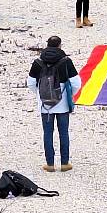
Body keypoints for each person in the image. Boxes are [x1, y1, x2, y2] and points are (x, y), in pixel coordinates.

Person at [27, 36, 82, 172]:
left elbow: (31, 83)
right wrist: (69, 94)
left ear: (47, 45)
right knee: (63, 132)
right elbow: (76, 83)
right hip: (62, 103)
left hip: (45, 105)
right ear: (60, 46)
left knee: (47, 133)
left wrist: (41, 94)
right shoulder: (66, 61)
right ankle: (64, 163)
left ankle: (50, 164)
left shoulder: (38, 62)